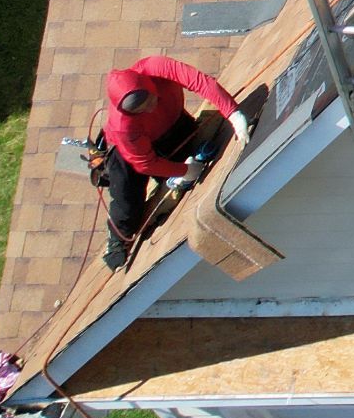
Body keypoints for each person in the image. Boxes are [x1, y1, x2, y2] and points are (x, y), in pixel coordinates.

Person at [96, 56, 248, 270]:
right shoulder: (124, 126)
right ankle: (117, 241)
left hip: (172, 127)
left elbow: (200, 82)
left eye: (150, 100)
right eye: (141, 110)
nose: (149, 109)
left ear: (149, 85)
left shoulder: (155, 68)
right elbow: (145, 163)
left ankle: (174, 168)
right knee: (128, 203)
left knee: (193, 156)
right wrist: (184, 171)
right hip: (127, 155)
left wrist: (233, 113)